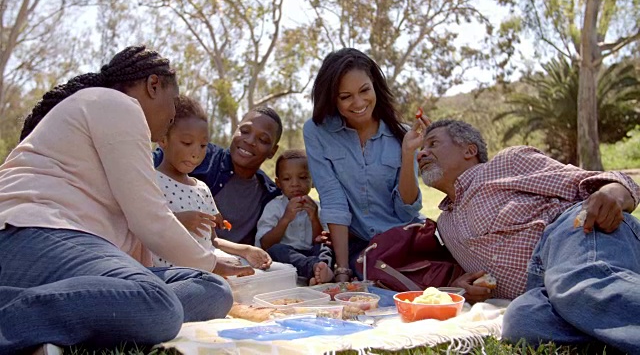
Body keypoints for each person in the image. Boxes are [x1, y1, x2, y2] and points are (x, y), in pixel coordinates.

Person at [0, 45, 252, 354]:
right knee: (157, 304)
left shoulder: (114, 118)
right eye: (173, 103)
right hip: (28, 233)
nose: (173, 116)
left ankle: (71, 317)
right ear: (153, 85)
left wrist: (210, 268)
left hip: (74, 250)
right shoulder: (116, 103)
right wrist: (211, 260)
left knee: (214, 290)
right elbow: (149, 219)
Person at [416, 119, 640, 353]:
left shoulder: (507, 163)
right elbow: (476, 274)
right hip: (542, 289)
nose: (422, 154)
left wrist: (613, 193)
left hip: (575, 233)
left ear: (469, 150)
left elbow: (600, 182)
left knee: (574, 284)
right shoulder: (445, 225)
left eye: (433, 144)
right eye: (421, 149)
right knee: (522, 322)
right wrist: (463, 287)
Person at [303, 48, 425, 282]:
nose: (358, 103)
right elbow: (332, 199)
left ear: (374, 87)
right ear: (332, 98)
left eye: (364, 90)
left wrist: (408, 154)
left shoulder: (404, 135)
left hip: (402, 240)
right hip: (358, 247)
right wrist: (341, 270)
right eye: (345, 96)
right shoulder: (317, 132)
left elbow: (406, 210)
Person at [153, 94, 272, 270]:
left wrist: (246, 250)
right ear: (163, 139)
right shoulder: (152, 182)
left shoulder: (202, 189)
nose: (196, 153)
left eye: (203, 145)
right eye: (187, 143)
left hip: (208, 266)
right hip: (173, 272)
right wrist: (177, 221)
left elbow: (212, 241)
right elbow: (145, 231)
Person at [255, 149, 334, 285]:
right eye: (287, 179)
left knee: (326, 246)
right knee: (276, 250)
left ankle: (319, 273)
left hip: (312, 253)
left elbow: (320, 238)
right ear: (278, 183)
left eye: (303, 178)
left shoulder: (318, 207)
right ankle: (316, 270)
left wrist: (314, 217)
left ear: (313, 181)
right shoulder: (274, 207)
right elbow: (265, 243)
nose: (295, 184)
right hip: (289, 256)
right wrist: (286, 218)